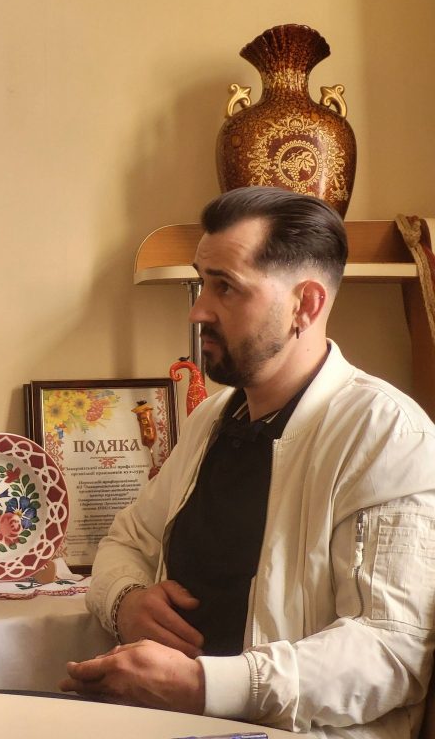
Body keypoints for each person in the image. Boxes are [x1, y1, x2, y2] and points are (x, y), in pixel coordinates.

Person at [64, 187, 435, 739]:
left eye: (226, 287)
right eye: (201, 283)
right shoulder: (210, 420)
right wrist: (127, 601)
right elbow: (125, 541)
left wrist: (202, 686)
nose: (198, 311)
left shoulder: (386, 435)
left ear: (305, 305)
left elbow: (389, 651)